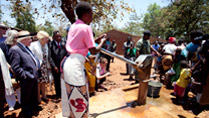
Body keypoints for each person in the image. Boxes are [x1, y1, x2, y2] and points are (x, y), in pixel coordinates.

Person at [62, 2, 107, 117]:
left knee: (73, 95)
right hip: (76, 65)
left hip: (69, 63)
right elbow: (93, 50)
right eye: (91, 14)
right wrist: (103, 41)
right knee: (79, 96)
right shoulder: (86, 28)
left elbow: (82, 43)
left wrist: (97, 38)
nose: (92, 17)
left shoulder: (73, 26)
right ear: (86, 15)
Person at [9, 31, 40, 118]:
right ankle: (26, 111)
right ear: (23, 39)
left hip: (33, 76)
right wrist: (26, 76)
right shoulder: (15, 49)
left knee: (33, 94)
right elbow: (15, 67)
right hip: (27, 78)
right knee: (26, 96)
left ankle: (33, 107)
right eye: (29, 38)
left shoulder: (26, 47)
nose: (31, 40)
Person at [30, 31, 51, 103]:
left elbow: (46, 56)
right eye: (46, 38)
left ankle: (44, 95)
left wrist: (48, 65)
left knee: (44, 81)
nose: (47, 39)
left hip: (44, 66)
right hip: (38, 66)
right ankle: (38, 98)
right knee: (38, 82)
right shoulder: (33, 45)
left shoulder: (46, 45)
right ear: (42, 38)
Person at [48, 30, 67, 99]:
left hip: (63, 65)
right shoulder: (50, 44)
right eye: (57, 37)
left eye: (60, 36)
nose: (59, 38)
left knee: (64, 80)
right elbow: (49, 57)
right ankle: (58, 94)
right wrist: (54, 66)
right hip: (55, 66)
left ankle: (64, 94)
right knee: (56, 80)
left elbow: (66, 54)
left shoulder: (64, 43)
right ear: (53, 37)